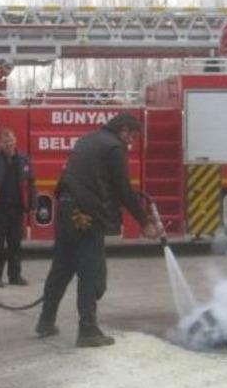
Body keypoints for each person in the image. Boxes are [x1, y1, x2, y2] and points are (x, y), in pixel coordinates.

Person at [35, 113, 160, 348]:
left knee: (62, 267)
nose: (131, 143)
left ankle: (45, 321)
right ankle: (88, 331)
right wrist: (144, 222)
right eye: (131, 136)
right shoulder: (114, 148)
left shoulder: (89, 139)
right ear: (122, 130)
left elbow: (97, 181)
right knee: (92, 272)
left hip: (65, 208)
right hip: (85, 214)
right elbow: (124, 189)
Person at [0, 129, 36, 288]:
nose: (9, 144)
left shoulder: (23, 159)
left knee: (15, 243)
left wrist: (32, 204)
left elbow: (31, 183)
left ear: (15, 140)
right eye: (5, 142)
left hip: (17, 208)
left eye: (11, 140)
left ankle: (15, 275)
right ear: (0, 143)